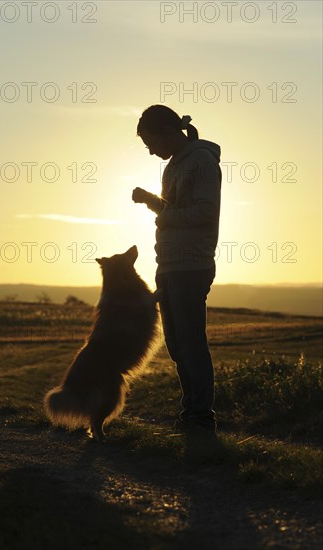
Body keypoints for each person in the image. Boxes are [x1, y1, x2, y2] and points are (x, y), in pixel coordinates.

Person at [132, 104, 222, 434]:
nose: (150, 150)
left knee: (191, 341)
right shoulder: (171, 167)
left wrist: (162, 213)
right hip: (168, 265)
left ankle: (201, 418)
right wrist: (150, 201)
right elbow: (174, 210)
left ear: (169, 133)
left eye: (151, 142)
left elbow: (203, 214)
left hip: (191, 265)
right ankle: (191, 413)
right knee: (176, 344)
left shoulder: (201, 160)